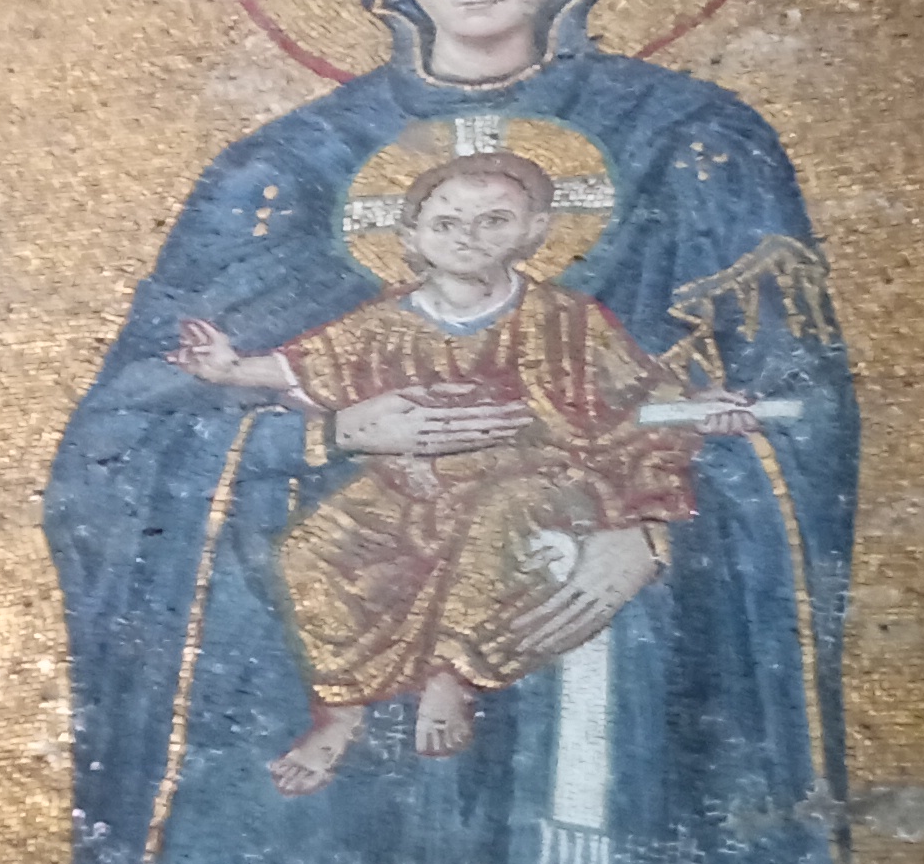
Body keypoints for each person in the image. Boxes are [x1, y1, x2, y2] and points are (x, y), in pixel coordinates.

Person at [49, 0, 853, 864]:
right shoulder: (282, 171)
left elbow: (793, 409)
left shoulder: (691, 145)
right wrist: (330, 432)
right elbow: (117, 446)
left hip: (599, 585)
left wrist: (657, 532)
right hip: (360, 560)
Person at [169, 149, 764, 786]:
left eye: (493, 221)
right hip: (416, 489)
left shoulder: (568, 320)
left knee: (499, 520)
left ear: (536, 230)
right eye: (446, 223)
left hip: (543, 481)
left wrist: (698, 408)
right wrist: (232, 369)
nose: (467, 237)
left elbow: (636, 396)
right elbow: (309, 365)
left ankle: (452, 675)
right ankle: (340, 709)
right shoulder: (384, 322)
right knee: (312, 549)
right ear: (411, 236)